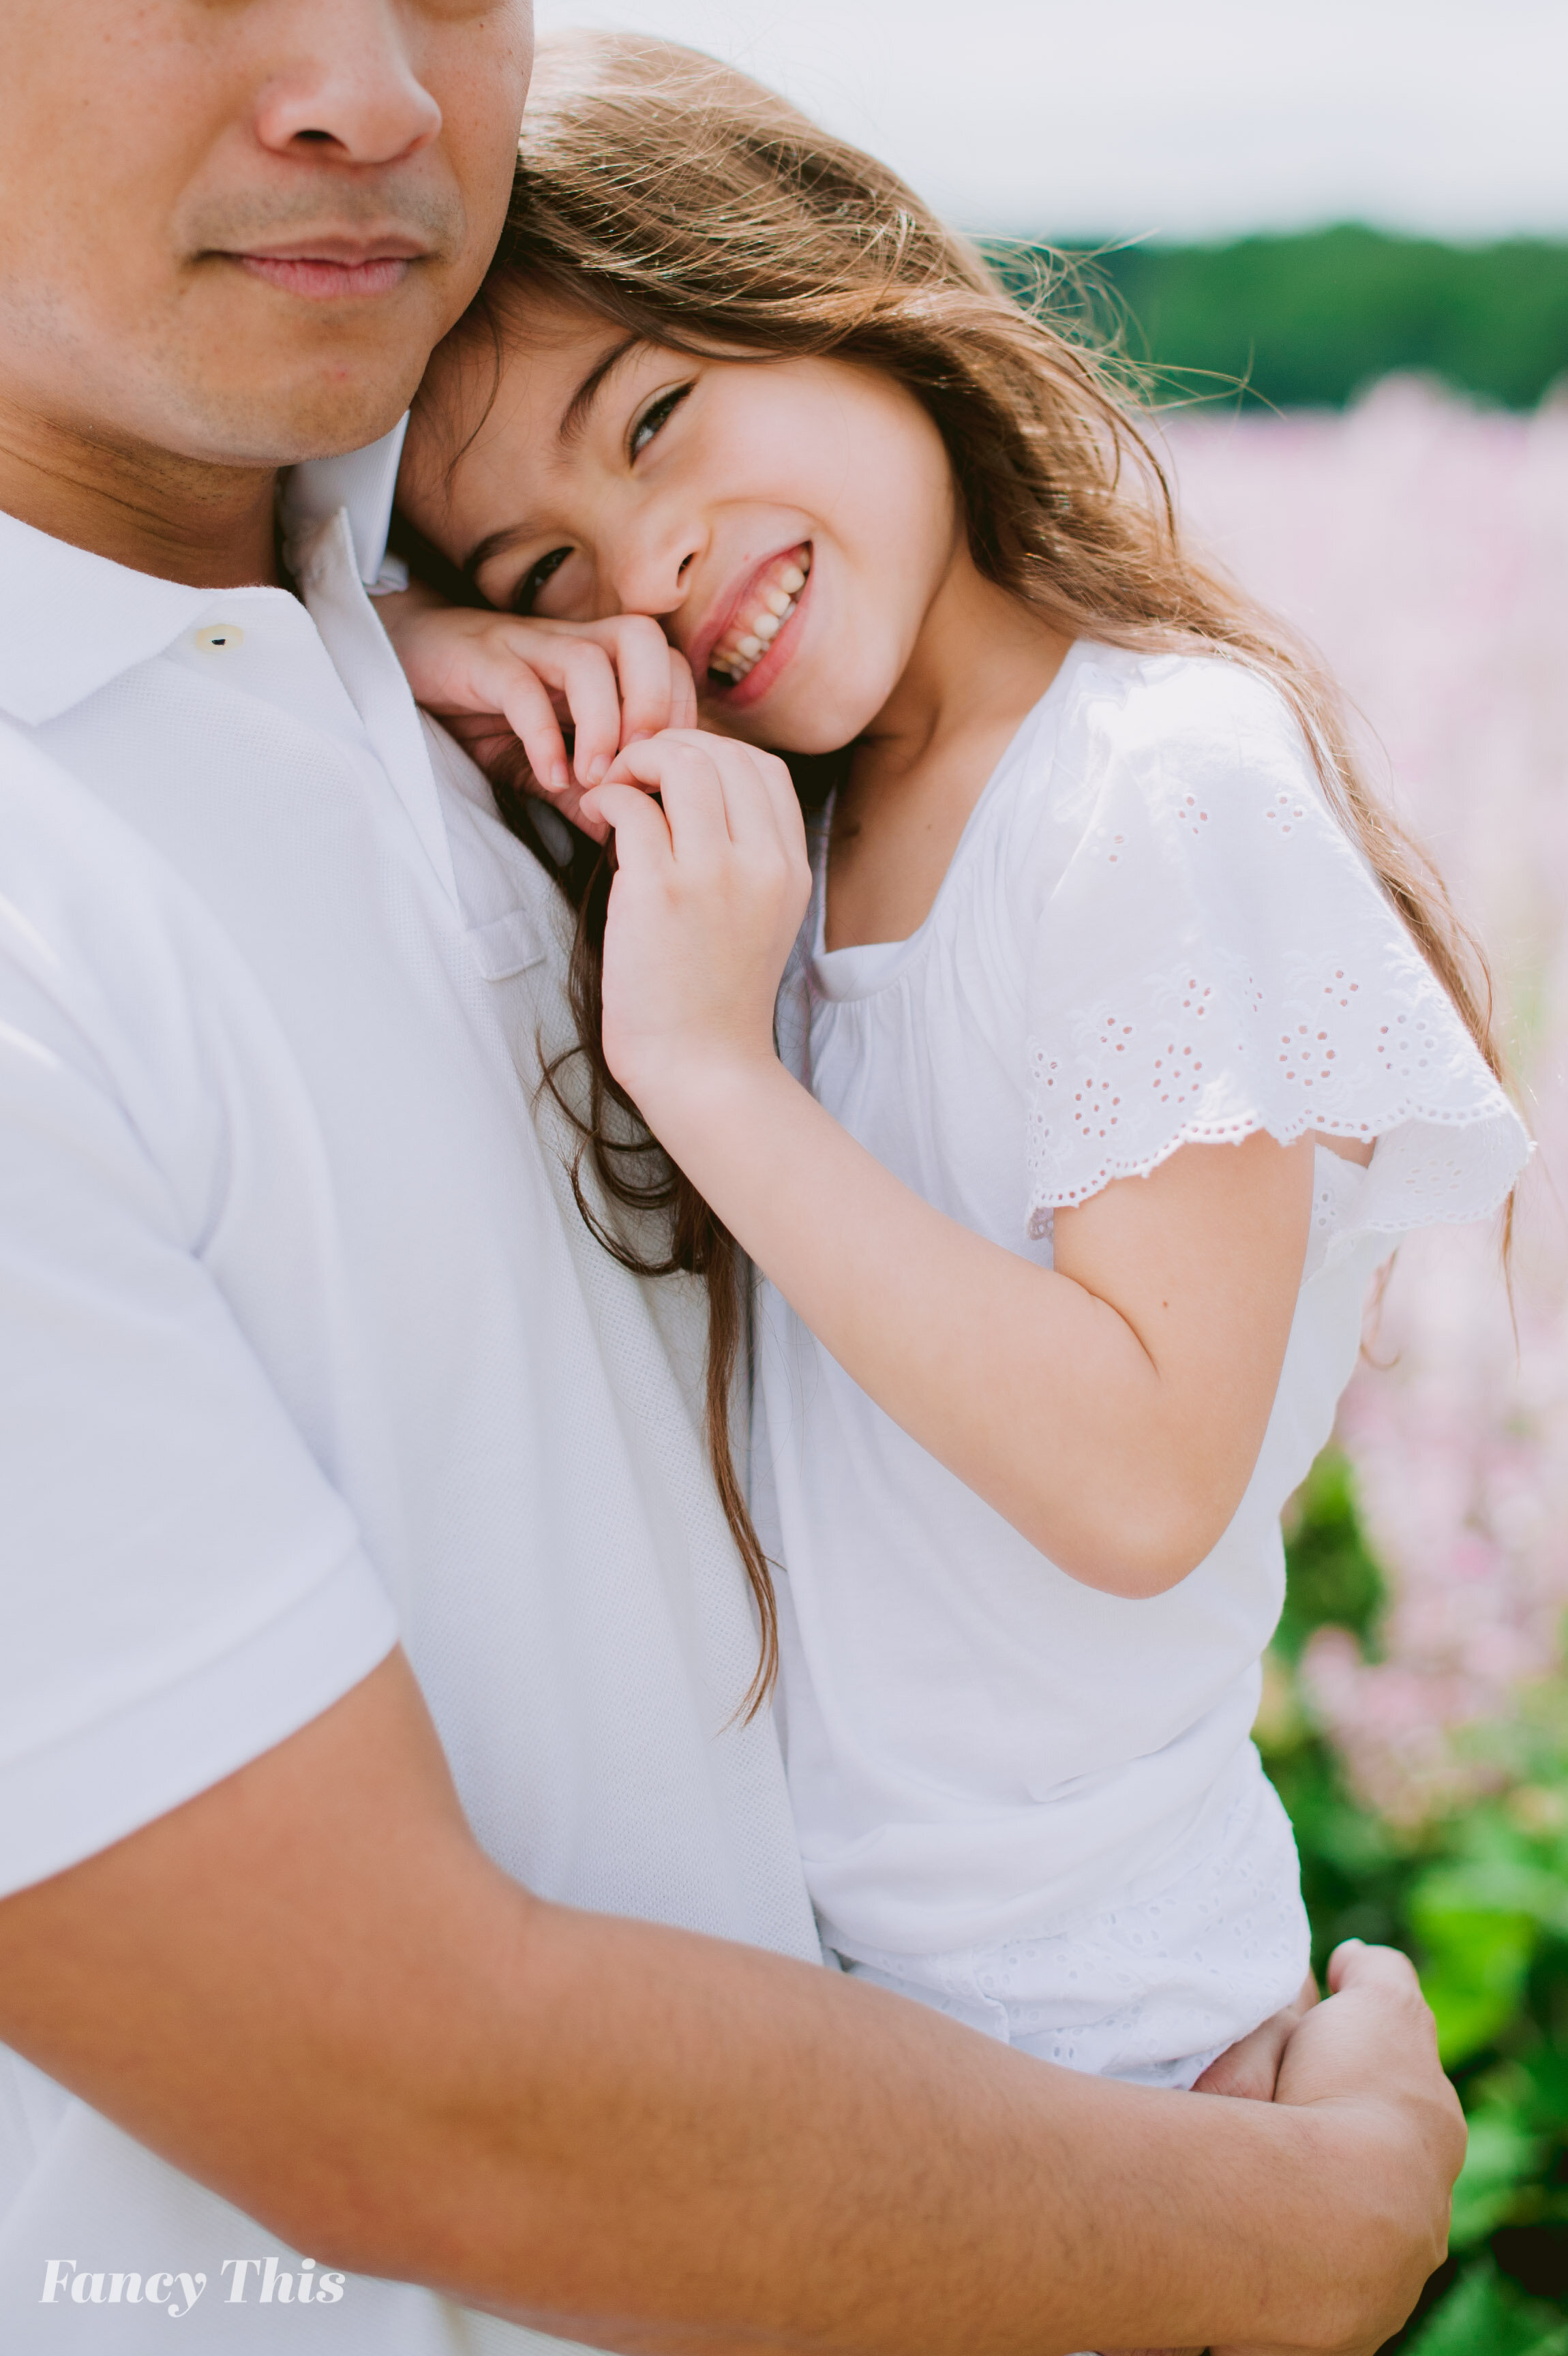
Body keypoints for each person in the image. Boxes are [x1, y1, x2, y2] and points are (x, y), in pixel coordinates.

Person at [0, 7, 1464, 2355]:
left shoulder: (1076, 789)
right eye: (552, 557)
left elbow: (1129, 1471)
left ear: (843, 276)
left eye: (663, 420)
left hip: (1059, 2048)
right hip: (1029, 2146)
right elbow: (395, 2089)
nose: (364, 94)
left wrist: (422, 656)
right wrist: (1287, 2234)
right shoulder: (642, 780)